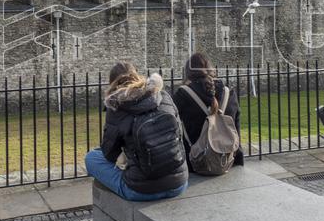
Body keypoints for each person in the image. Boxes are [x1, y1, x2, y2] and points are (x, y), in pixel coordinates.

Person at [84, 62, 188, 200]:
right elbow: (179, 134)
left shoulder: (116, 106)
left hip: (141, 191)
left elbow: (109, 153)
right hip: (178, 184)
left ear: (112, 83)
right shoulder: (163, 95)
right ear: (137, 76)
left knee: (91, 158)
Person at [172, 53, 244, 172]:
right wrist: (239, 162)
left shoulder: (182, 96)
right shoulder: (229, 93)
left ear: (189, 72)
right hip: (227, 161)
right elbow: (236, 130)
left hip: (194, 163)